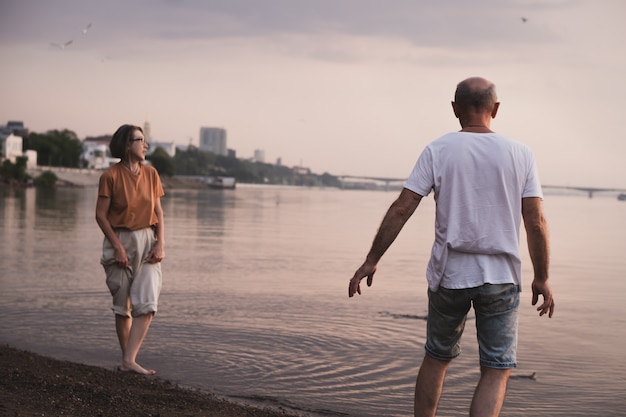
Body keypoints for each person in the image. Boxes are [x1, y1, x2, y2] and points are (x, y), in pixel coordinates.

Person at [348, 77, 554, 417]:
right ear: (496, 109)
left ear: (455, 109)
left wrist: (372, 259)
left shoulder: (438, 149)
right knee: (496, 369)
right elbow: (536, 222)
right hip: (501, 278)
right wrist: (542, 277)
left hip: (449, 275)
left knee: (437, 357)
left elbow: (402, 207)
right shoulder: (521, 153)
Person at [95, 124, 165, 375]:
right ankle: (128, 362)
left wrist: (160, 243)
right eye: (140, 140)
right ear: (127, 145)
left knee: (147, 303)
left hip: (148, 240)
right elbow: (101, 216)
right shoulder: (110, 176)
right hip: (120, 240)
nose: (145, 145)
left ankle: (129, 360)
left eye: (145, 141)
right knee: (122, 306)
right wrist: (117, 247)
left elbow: (159, 212)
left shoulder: (152, 174)